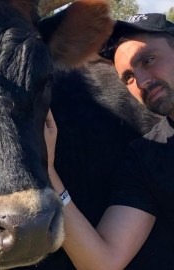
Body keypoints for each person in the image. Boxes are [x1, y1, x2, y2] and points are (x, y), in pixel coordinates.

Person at [44, 13, 174, 270]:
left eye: (148, 59)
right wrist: (47, 171)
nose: (142, 81)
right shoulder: (146, 157)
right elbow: (102, 263)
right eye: (128, 77)